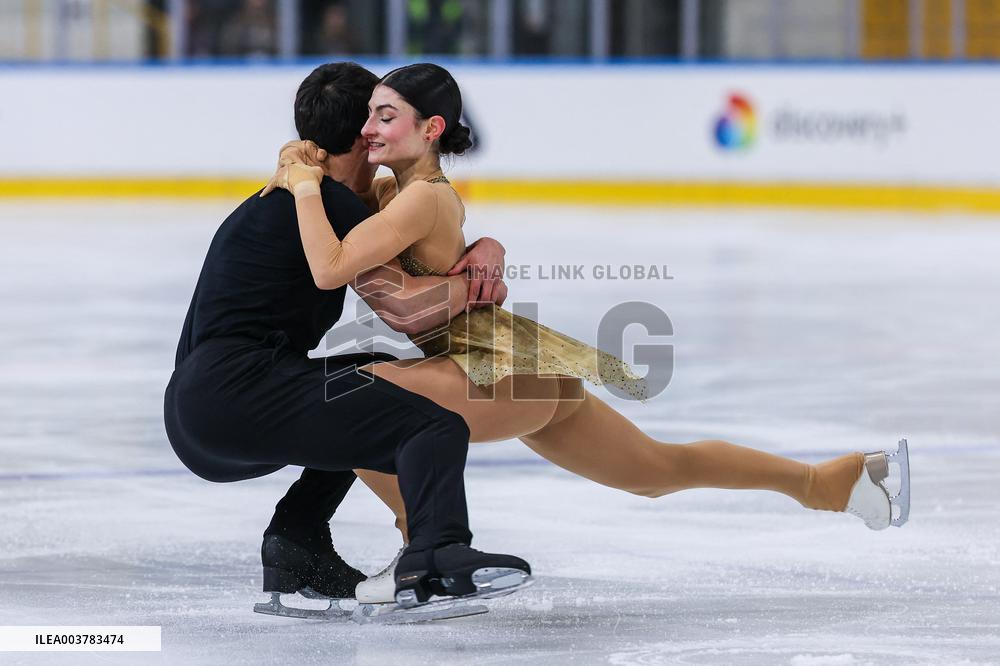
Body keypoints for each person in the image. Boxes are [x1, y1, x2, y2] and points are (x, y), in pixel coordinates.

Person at [265, 63, 911, 604]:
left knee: (344, 402)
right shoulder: (399, 191)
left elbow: (338, 268)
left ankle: (419, 552)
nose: (369, 129)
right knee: (657, 470)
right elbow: (376, 214)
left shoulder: (418, 197)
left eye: (385, 116)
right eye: (368, 117)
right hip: (515, 364)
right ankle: (828, 481)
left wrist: (302, 183)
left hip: (493, 368)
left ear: (430, 128)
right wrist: (486, 244)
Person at [164, 62, 532, 611]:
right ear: (363, 132)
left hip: (198, 408)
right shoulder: (328, 205)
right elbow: (406, 306)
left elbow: (390, 208)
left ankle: (296, 541)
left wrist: (488, 244)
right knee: (431, 424)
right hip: (235, 396)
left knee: (371, 375)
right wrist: (475, 287)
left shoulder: (299, 196)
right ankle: (436, 554)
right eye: (376, 117)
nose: (382, 129)